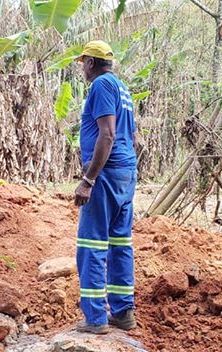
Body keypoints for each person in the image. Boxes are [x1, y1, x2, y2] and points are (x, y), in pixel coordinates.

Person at [73, 40, 139, 334]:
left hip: (106, 175)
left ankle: (96, 318)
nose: (83, 69)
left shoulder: (101, 86)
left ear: (90, 62)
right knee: (120, 244)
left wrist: (89, 180)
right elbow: (133, 137)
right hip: (125, 173)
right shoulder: (122, 89)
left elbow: (108, 134)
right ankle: (123, 313)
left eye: (83, 63)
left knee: (92, 245)